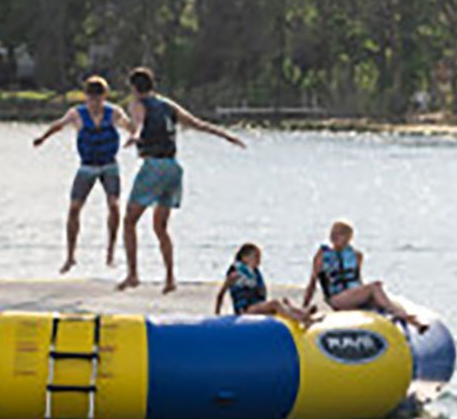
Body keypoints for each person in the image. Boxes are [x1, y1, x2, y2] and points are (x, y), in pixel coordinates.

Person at [113, 65, 246, 293]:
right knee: (160, 227)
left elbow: (140, 122)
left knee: (129, 222)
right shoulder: (167, 105)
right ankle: (170, 278)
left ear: (134, 88)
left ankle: (133, 274)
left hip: (153, 166)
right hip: (173, 169)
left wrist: (134, 135)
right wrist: (226, 135)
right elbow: (197, 123)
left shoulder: (136, 104)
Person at [32, 75, 136, 273]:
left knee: (114, 207)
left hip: (109, 165)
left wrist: (135, 136)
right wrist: (43, 138)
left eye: (99, 98)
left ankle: (111, 252)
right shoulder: (77, 114)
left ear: (104, 96)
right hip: (87, 166)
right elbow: (59, 125)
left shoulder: (113, 112)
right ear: (86, 97)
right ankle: (70, 256)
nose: (95, 102)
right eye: (91, 98)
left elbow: (130, 126)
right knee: (74, 208)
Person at [301, 220, 426, 331]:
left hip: (352, 297)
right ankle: (403, 316)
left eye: (340, 233)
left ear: (349, 237)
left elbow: (357, 280)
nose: (334, 236)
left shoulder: (356, 255)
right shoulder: (323, 254)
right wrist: (304, 308)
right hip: (336, 299)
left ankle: (413, 324)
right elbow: (313, 282)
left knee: (379, 298)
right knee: (375, 287)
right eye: (333, 232)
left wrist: (366, 295)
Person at [213, 243, 313, 326]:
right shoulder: (235, 274)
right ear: (244, 258)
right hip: (245, 310)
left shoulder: (254, 273)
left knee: (284, 302)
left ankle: (303, 313)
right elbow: (220, 294)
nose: (259, 261)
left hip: (256, 306)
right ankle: (302, 319)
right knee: (275, 303)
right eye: (256, 257)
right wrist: (217, 317)